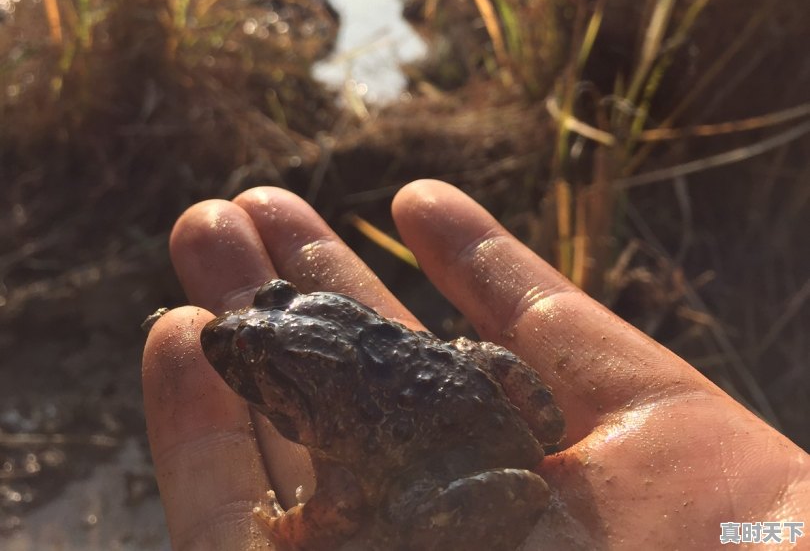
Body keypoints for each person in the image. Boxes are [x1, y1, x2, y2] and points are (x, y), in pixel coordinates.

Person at [142, 180, 810, 550]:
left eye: (259, 357)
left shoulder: (328, 435)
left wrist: (288, 530)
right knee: (466, 358)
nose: (239, 336)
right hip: (475, 404)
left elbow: (341, 508)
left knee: (400, 510)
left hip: (465, 463)